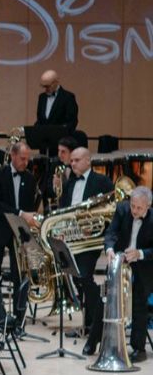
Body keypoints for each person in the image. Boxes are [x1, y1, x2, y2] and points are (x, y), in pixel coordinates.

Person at [61, 146, 113, 355]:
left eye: (76, 160)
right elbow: (64, 208)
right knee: (78, 280)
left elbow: (110, 212)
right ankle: (93, 324)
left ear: (88, 161)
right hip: (71, 240)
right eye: (71, 161)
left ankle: (95, 334)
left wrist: (90, 228)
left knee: (84, 279)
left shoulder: (102, 182)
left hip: (90, 242)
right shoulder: (70, 182)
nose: (72, 163)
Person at [102, 185, 153, 362]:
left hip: (145, 265)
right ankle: (98, 342)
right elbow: (111, 233)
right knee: (110, 297)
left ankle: (138, 349)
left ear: (148, 206)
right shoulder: (122, 209)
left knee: (139, 301)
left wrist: (139, 254)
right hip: (120, 259)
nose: (134, 210)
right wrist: (109, 248)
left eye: (139, 208)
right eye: (133, 205)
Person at [0, 141, 38, 296]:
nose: (25, 162)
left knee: (20, 273)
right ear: (13, 156)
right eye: (22, 158)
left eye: (27, 159)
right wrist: (20, 213)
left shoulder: (30, 179)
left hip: (19, 231)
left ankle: (18, 314)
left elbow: (29, 207)